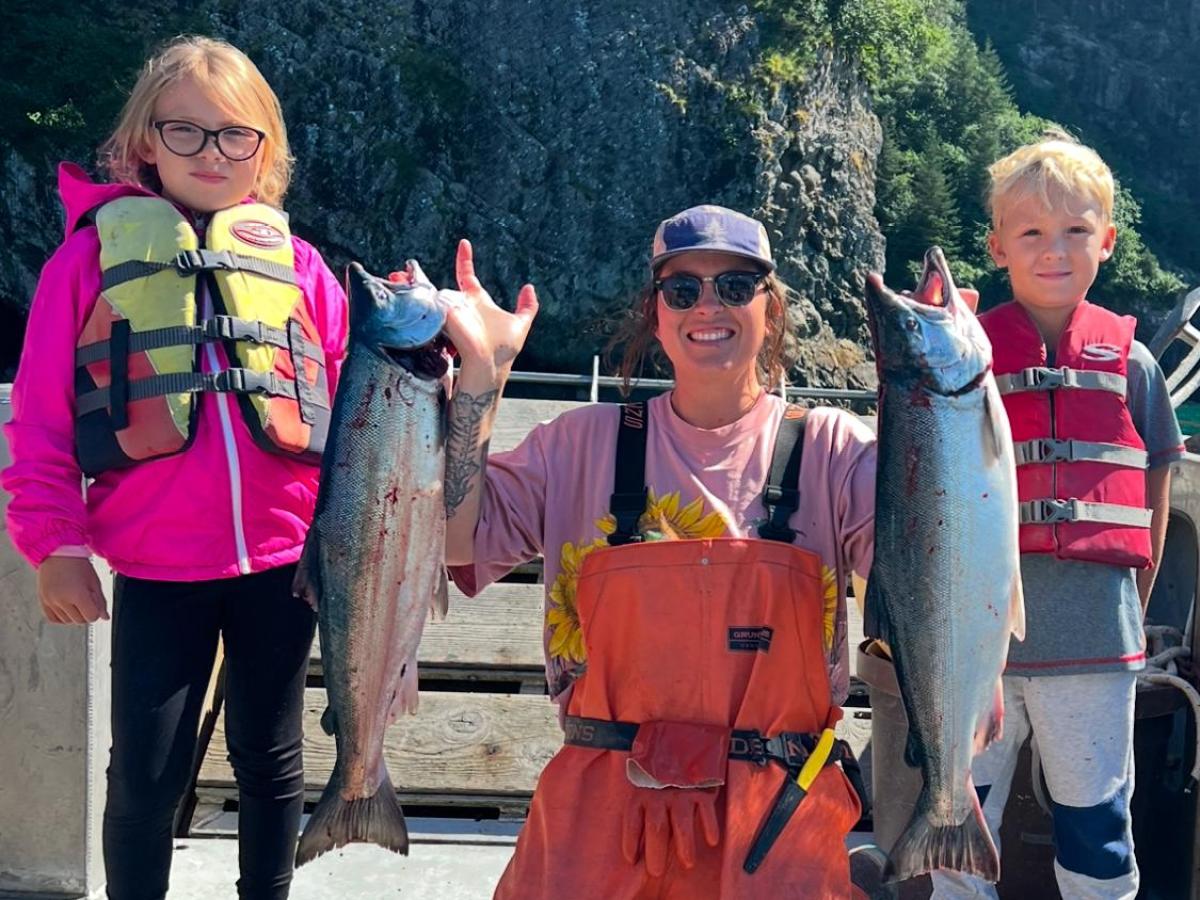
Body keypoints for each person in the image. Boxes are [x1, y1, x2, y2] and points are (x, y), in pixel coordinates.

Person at [441, 205, 875, 897]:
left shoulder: (835, 450)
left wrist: (945, 409)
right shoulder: (575, 445)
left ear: (772, 307)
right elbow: (454, 540)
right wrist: (481, 382)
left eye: (736, 285)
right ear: (656, 312)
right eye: (683, 289)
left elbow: (932, 575)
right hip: (597, 812)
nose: (709, 304)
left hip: (775, 828)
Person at [1, 36, 348, 900]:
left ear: (266, 151)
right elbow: (41, 420)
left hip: (286, 563)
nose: (211, 153)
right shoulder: (86, 262)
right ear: (145, 143)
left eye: (236, 135)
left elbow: (361, 402)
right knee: (146, 773)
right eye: (185, 132)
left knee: (272, 762)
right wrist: (55, 543)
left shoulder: (302, 269)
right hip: (157, 565)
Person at [930, 136, 1184, 898]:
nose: (1055, 250)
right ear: (996, 245)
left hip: (1097, 645)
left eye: (1076, 230)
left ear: (1107, 240)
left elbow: (1156, 483)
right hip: (973, 656)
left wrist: (1134, 609)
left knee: (1098, 825)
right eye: (1032, 233)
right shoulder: (960, 357)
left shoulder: (1133, 363)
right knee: (958, 817)